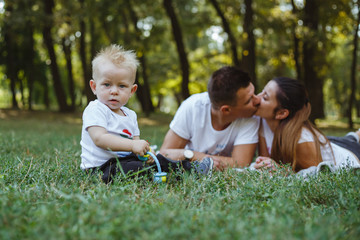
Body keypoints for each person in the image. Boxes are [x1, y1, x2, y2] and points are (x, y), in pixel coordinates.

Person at [80, 44, 212, 183]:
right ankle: (161, 177)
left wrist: (146, 153)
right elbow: (100, 139)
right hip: (100, 168)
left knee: (159, 160)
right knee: (134, 168)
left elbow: (136, 143)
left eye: (122, 86)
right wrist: (132, 146)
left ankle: (192, 170)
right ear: (94, 87)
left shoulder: (130, 115)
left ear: (132, 90)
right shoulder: (95, 109)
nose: (114, 91)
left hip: (125, 161)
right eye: (107, 84)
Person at [160, 66, 261, 171]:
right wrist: (195, 156)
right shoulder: (192, 107)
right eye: (249, 100)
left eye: (254, 93)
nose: (258, 100)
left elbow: (240, 163)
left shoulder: (250, 116)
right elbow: (164, 154)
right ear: (226, 110)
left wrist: (191, 156)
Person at [253, 77, 360, 173]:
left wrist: (281, 171)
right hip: (331, 143)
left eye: (265, 97)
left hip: (349, 156)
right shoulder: (263, 121)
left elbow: (317, 176)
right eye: (262, 92)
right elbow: (264, 163)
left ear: (281, 113)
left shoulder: (301, 142)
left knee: (348, 143)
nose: (257, 98)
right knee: (345, 139)